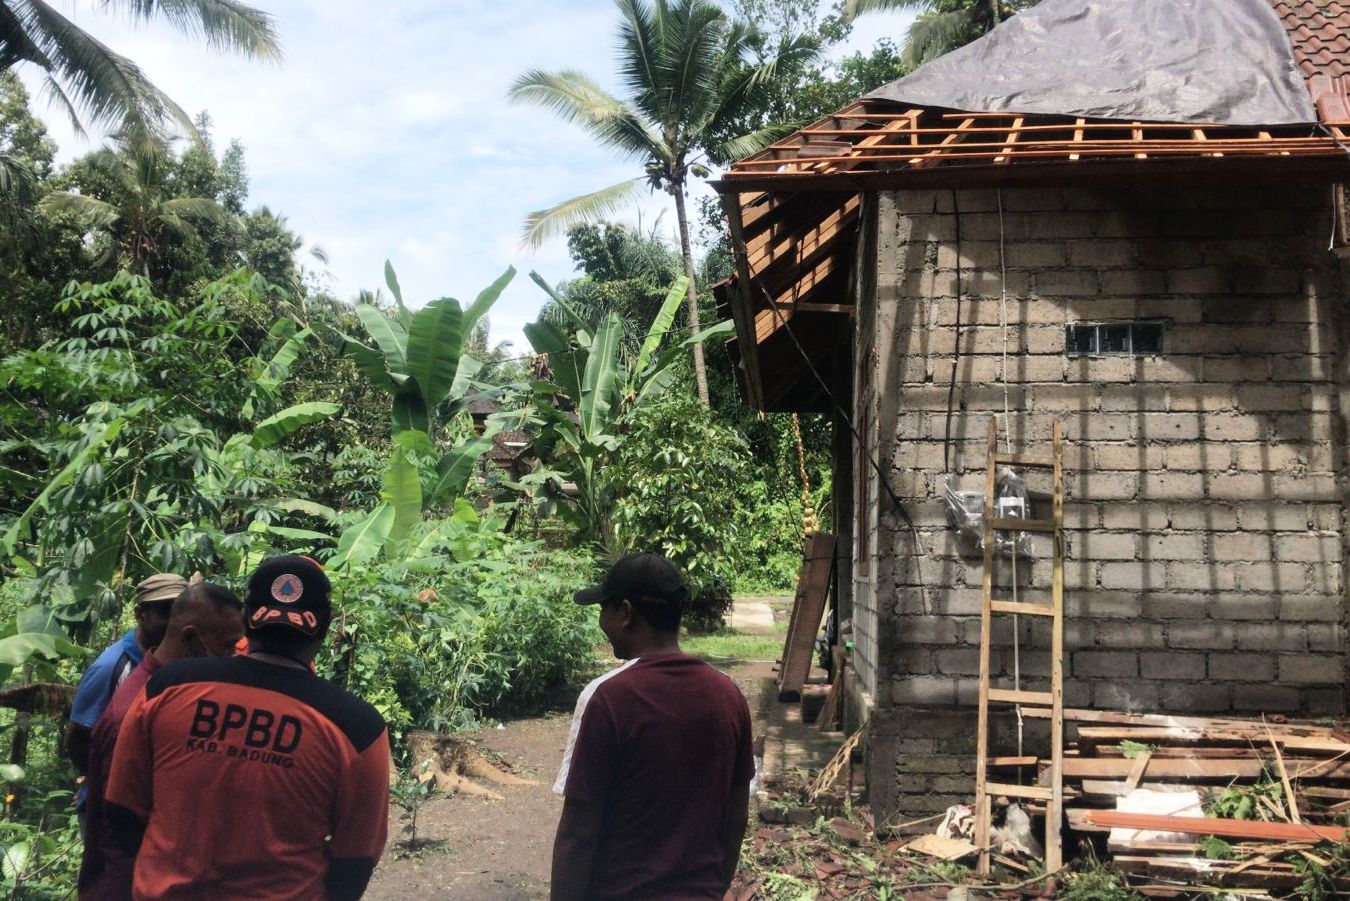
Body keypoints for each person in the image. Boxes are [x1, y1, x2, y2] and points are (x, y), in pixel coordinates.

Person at [105, 555, 390, 900]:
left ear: (246, 619)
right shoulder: (358, 728)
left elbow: (122, 810)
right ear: (325, 627)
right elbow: (355, 860)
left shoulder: (165, 689)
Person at [552, 553, 754, 901]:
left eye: (604, 608)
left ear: (626, 613)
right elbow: (736, 816)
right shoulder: (728, 695)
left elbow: (579, 832)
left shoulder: (607, 698)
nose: (601, 620)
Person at [78, 582, 244, 900]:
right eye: (227, 645)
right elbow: (125, 824)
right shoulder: (136, 709)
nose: (232, 657)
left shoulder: (173, 695)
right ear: (193, 640)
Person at [67, 574, 185, 817]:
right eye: (166, 613)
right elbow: (79, 735)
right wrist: (102, 781)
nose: (174, 622)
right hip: (109, 804)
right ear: (141, 615)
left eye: (180, 612)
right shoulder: (111, 667)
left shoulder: (182, 661)